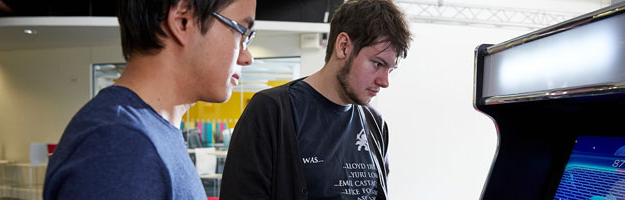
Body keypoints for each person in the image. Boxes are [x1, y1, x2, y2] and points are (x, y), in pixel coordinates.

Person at [43, 0, 255, 198]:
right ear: (183, 20)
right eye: (242, 33)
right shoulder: (120, 145)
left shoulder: (147, 135)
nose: (248, 58)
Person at [219, 0, 411, 199]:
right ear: (344, 47)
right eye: (377, 64)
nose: (385, 81)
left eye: (391, 70)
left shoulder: (375, 125)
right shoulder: (271, 111)